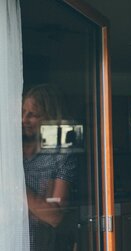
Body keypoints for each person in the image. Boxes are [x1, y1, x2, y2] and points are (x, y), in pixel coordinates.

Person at [22, 84, 77, 251]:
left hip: (45, 244)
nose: (24, 119)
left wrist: (16, 188)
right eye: (23, 112)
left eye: (33, 115)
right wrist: (38, 205)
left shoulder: (62, 153)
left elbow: (54, 216)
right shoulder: (10, 150)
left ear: (50, 118)